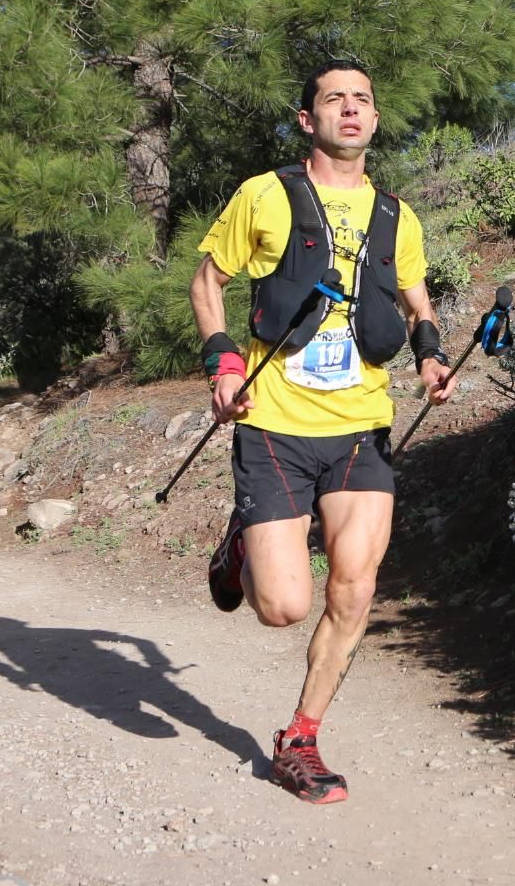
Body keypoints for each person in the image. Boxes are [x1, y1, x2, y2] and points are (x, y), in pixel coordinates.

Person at [189, 57, 455, 805]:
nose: (350, 109)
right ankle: (245, 539)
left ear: (374, 120)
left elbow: (414, 294)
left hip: (360, 429)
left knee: (355, 589)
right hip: (272, 421)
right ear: (307, 120)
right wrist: (223, 362)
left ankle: (300, 739)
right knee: (283, 606)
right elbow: (208, 280)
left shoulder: (396, 214)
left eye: (362, 100)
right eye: (333, 99)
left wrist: (431, 355)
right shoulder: (265, 196)